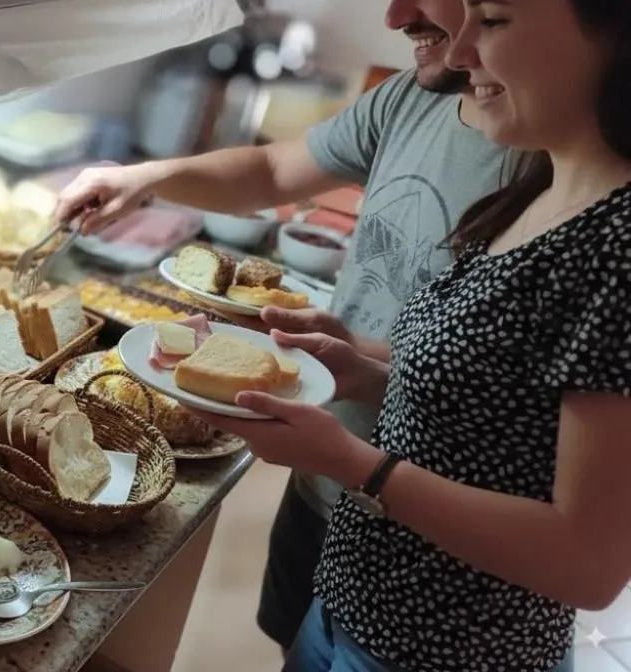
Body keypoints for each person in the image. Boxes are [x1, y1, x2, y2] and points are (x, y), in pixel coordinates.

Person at [53, 0, 510, 651]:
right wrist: (147, 177)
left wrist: (361, 450)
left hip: (434, 551)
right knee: (293, 641)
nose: (394, 17)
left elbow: (545, 456)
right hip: (326, 485)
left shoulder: (557, 170)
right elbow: (271, 170)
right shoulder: (415, 95)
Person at [192, 0, 631, 669]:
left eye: (495, 20)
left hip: (444, 652)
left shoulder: (618, 248)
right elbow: (502, 406)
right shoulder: (540, 184)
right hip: (349, 607)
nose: (458, 54)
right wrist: (361, 367)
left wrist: (353, 462)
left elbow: (588, 564)